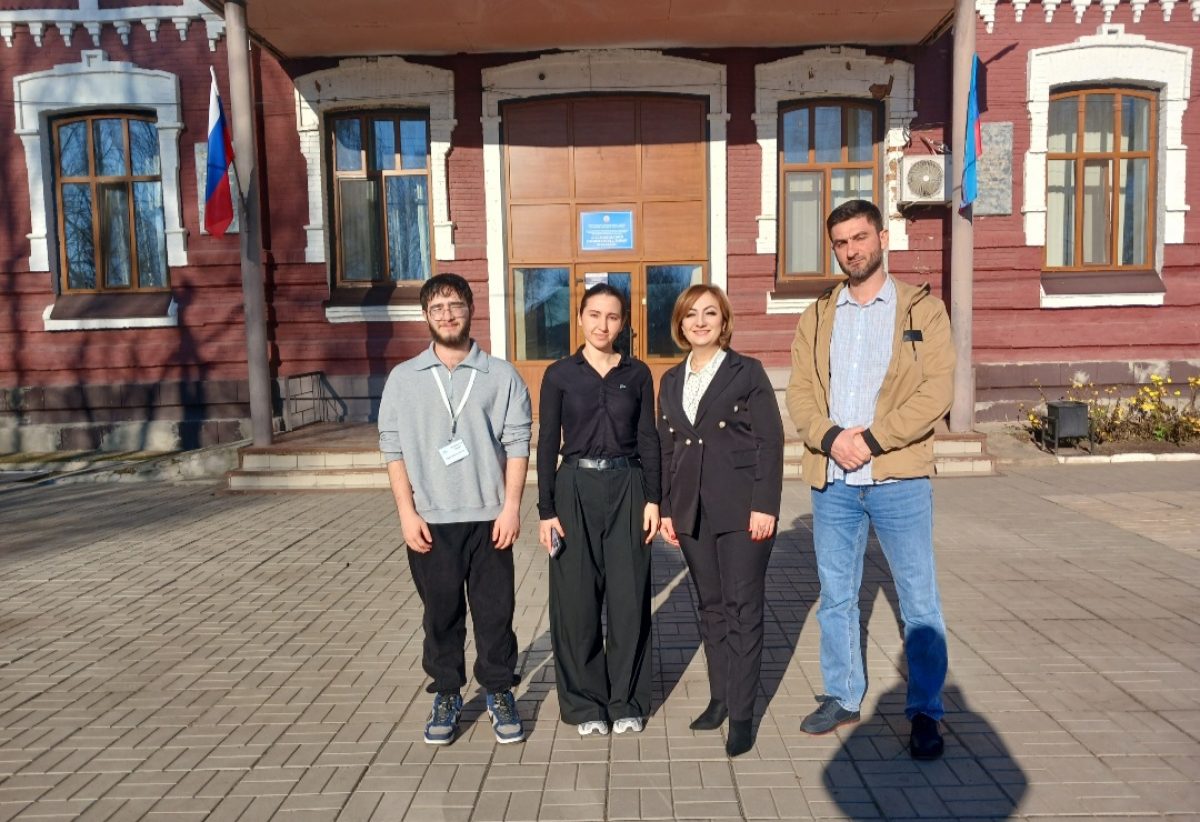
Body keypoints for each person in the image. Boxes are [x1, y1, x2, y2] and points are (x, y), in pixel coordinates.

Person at [785, 199, 955, 760]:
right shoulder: (817, 315)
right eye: (841, 242)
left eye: (860, 238)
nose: (851, 250)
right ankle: (842, 695)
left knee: (919, 601)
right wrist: (832, 437)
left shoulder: (922, 310)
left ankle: (926, 711)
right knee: (836, 596)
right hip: (833, 479)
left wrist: (873, 440)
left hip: (898, 478)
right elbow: (801, 393)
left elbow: (937, 391)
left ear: (883, 238)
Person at [378, 272, 532, 746]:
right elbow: (392, 448)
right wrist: (406, 513)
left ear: (470, 310)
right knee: (440, 616)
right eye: (437, 308)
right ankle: (447, 692)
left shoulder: (501, 375)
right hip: (430, 521)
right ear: (426, 316)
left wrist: (511, 507)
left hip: (489, 520)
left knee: (495, 614)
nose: (447, 315)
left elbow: (518, 443)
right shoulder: (403, 379)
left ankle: (499, 690)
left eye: (455, 306)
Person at [657, 284, 784, 757]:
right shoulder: (671, 379)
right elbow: (666, 448)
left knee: (742, 608)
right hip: (691, 511)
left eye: (710, 313)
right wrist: (666, 508)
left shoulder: (746, 371)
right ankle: (719, 699)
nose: (700, 322)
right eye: (691, 314)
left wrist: (765, 504)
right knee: (711, 607)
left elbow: (770, 441)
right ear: (680, 324)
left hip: (742, 509)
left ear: (724, 321)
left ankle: (743, 715)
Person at [537, 283, 661, 737]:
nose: (602, 325)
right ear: (580, 318)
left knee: (629, 599)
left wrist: (654, 498)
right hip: (574, 487)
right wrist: (546, 509)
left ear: (623, 322)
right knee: (576, 601)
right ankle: (585, 703)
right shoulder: (559, 375)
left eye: (612, 316)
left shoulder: (638, 374)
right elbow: (547, 442)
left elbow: (648, 438)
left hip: (628, 487)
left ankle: (626, 699)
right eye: (594, 315)